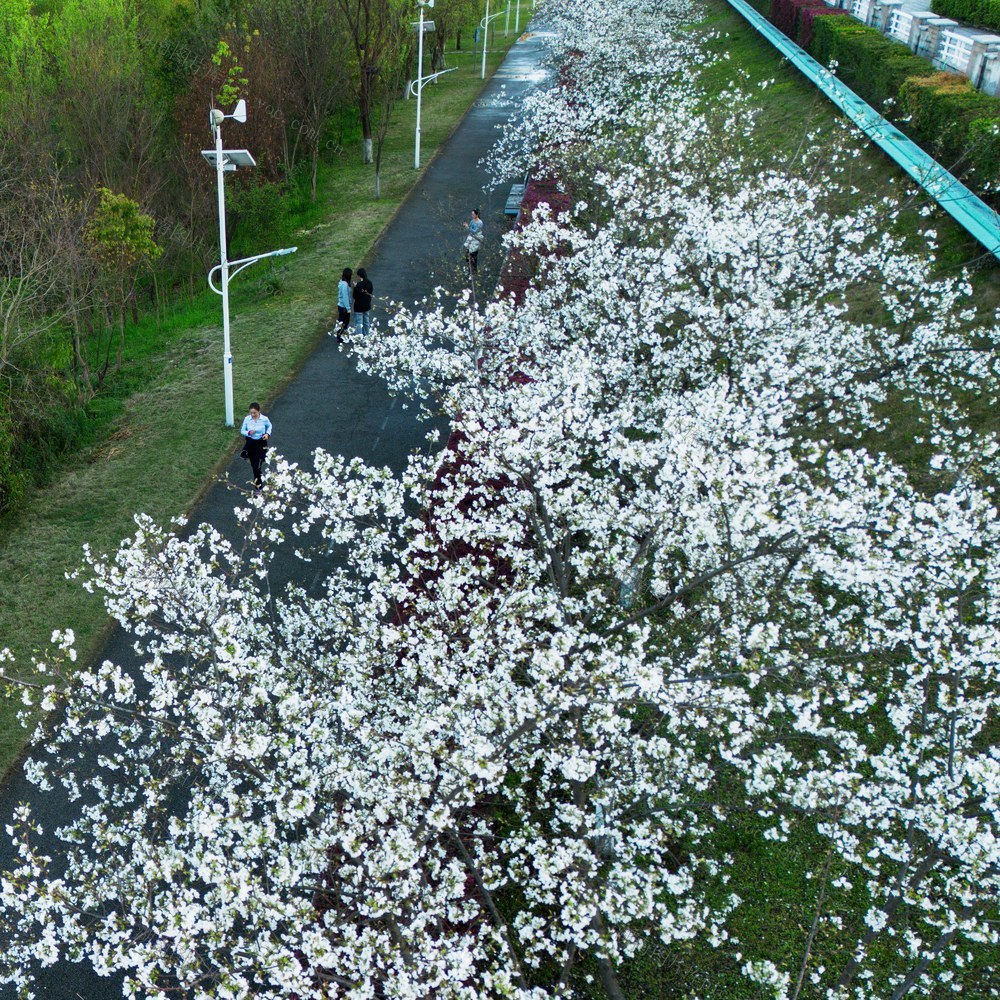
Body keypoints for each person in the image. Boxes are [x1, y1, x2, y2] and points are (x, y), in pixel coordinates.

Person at [240, 402, 272, 489]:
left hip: (261, 443)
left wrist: (267, 434)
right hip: (251, 443)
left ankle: (259, 487)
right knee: (254, 466)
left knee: (256, 468)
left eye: (254, 413)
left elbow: (269, 426)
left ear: (259, 411)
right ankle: (248, 457)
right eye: (251, 413)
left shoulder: (264, 419)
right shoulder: (247, 419)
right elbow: (242, 430)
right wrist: (248, 432)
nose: (253, 414)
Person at [352, 267, 373, 336]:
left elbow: (355, 296)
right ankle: (367, 335)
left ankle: (359, 337)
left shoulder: (359, 285)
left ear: (359, 276)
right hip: (367, 306)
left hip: (359, 307)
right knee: (366, 321)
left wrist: (355, 287)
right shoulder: (370, 283)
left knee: (359, 323)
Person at [336, 267, 353, 342]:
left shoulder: (342, 283)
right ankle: (340, 336)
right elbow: (345, 297)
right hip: (344, 307)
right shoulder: (345, 285)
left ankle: (340, 335)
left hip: (341, 306)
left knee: (342, 321)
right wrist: (348, 308)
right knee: (344, 322)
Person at [464, 209, 484, 274]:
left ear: (477, 215)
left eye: (473, 214)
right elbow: (470, 228)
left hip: (476, 239)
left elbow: (475, 231)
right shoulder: (472, 221)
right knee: (467, 254)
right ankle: (469, 268)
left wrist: (467, 227)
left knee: (474, 255)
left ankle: (474, 270)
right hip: (471, 238)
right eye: (472, 214)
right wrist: (467, 227)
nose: (472, 215)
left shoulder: (480, 223)